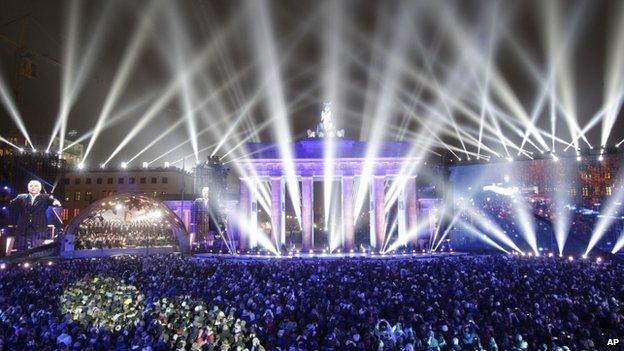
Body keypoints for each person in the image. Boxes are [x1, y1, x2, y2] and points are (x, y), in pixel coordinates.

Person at [9, 180, 61, 252]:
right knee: (21, 250)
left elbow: (52, 200)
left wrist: (55, 202)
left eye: (36, 186)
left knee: (37, 250)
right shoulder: (21, 197)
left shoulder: (45, 197)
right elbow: (12, 203)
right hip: (23, 228)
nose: (33, 187)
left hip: (39, 228)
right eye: (31, 186)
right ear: (28, 188)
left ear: (40, 188)